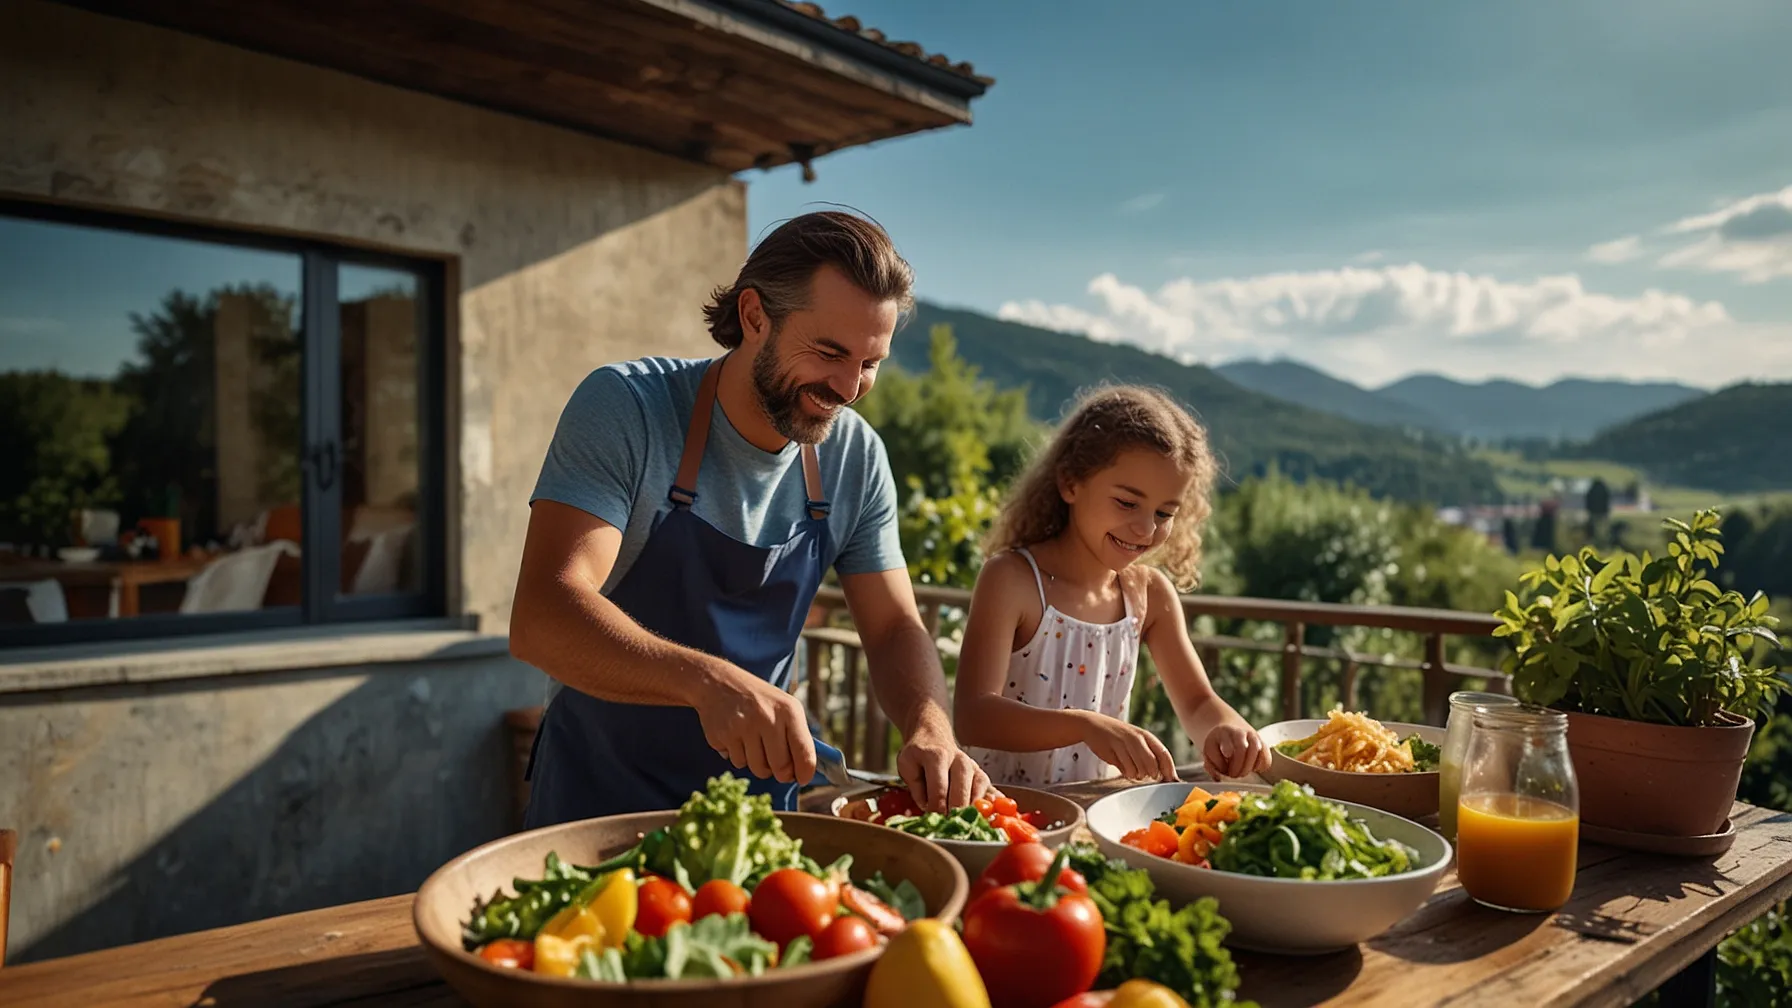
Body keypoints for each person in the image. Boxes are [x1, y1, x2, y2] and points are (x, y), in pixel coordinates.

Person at [511, 210, 988, 826]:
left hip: (756, 822)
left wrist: (931, 727)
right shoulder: (627, 408)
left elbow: (896, 627)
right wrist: (706, 682)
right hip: (595, 811)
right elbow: (544, 615)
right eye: (829, 353)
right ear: (755, 315)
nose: (848, 387)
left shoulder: (856, 456)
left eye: (870, 363)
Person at [952, 385, 1270, 787]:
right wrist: (1085, 725)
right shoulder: (1012, 579)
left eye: (1164, 512)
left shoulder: (1150, 595)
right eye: (1126, 502)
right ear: (1070, 483)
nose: (1146, 528)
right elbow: (974, 717)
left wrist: (1229, 729)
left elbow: (1197, 702)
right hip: (1005, 815)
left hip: (1097, 816)